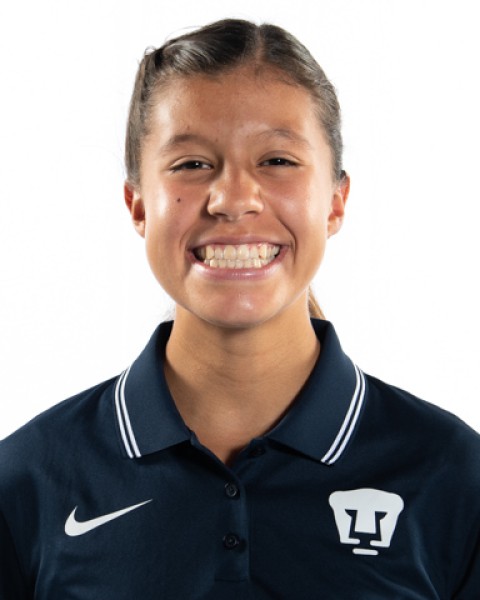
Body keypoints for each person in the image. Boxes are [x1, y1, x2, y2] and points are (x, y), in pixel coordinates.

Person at [0, 18, 479, 599]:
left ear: (335, 202)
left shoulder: (454, 475)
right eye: (191, 164)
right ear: (137, 205)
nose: (232, 200)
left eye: (277, 160)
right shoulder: (28, 479)